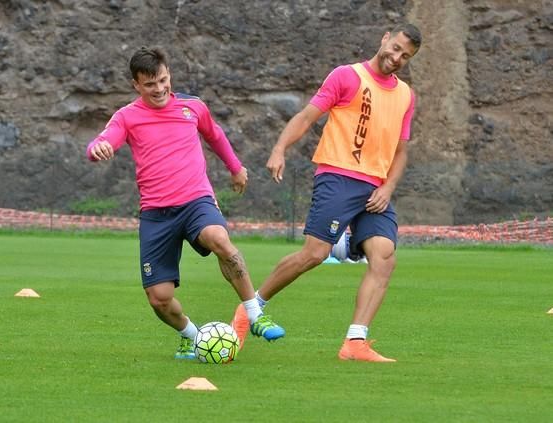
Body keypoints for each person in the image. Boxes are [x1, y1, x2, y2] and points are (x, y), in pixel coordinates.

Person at [233, 24, 422, 362]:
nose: (396, 57)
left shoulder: (406, 95)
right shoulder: (346, 76)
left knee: (384, 258)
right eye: (394, 48)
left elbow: (401, 151)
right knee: (314, 254)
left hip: (376, 189)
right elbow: (307, 117)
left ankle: (355, 343)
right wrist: (279, 148)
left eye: (405, 56)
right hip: (337, 176)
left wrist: (388, 188)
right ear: (384, 39)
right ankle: (251, 309)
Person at [86, 47, 284, 359]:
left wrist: (236, 168)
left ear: (169, 74)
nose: (160, 89)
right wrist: (98, 149)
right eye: (150, 84)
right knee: (159, 299)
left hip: (196, 201)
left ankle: (255, 315)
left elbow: (215, 135)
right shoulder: (127, 116)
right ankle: (191, 335)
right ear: (136, 85)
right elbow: (105, 139)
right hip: (156, 215)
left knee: (220, 239)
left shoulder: (192, 108)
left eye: (163, 80)